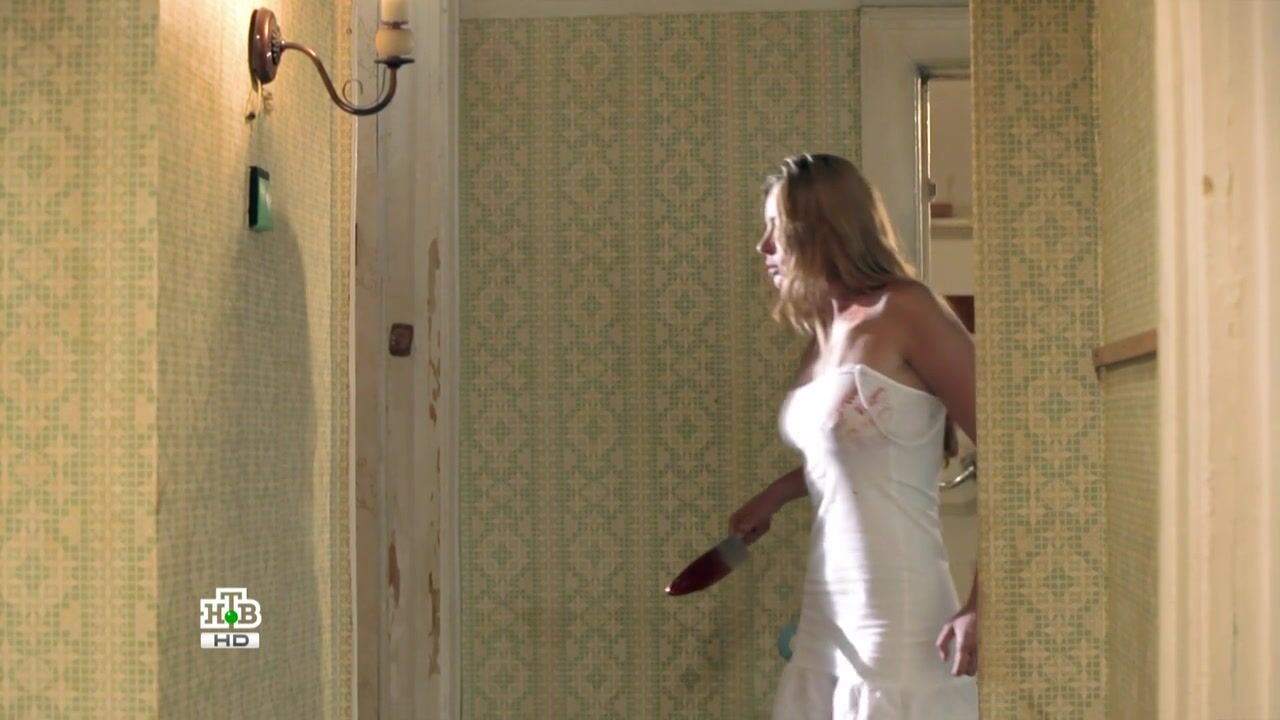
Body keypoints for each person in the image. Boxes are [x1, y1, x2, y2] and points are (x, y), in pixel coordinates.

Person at [729, 153, 979, 719]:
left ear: (822, 227)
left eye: (775, 228)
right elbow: (858, 450)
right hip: (829, 607)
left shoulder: (906, 309)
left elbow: (1013, 452)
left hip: (899, 612)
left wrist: (982, 603)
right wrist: (776, 494)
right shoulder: (825, 332)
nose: (763, 246)